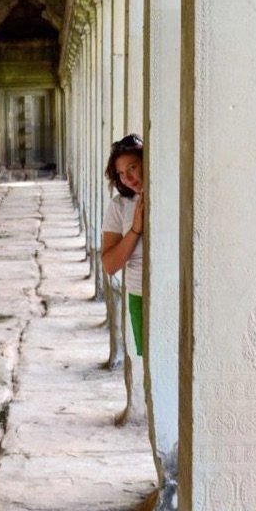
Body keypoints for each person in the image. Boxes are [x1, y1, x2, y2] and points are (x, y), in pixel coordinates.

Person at [101, 134, 144, 356]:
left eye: (132, 168)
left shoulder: (171, 194)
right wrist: (135, 229)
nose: (127, 177)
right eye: (121, 173)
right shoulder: (120, 206)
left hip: (176, 291)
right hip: (139, 294)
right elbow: (110, 265)